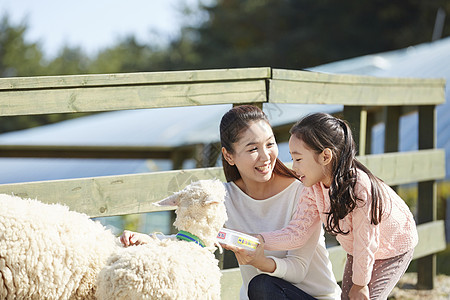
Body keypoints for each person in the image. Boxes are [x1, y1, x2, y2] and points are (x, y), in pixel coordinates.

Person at [259, 112, 419, 300]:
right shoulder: (313, 188)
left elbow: (365, 241)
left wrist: (360, 284)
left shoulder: (360, 189)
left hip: (393, 247)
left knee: (364, 296)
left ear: (325, 156)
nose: (294, 167)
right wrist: (259, 240)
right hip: (358, 249)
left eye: (299, 159)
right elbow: (297, 233)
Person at [219, 105, 341, 300]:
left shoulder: (305, 191)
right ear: (228, 156)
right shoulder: (223, 198)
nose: (266, 157)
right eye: (253, 148)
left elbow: (298, 269)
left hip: (315, 297)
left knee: (262, 285)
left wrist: (261, 262)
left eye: (270, 144)